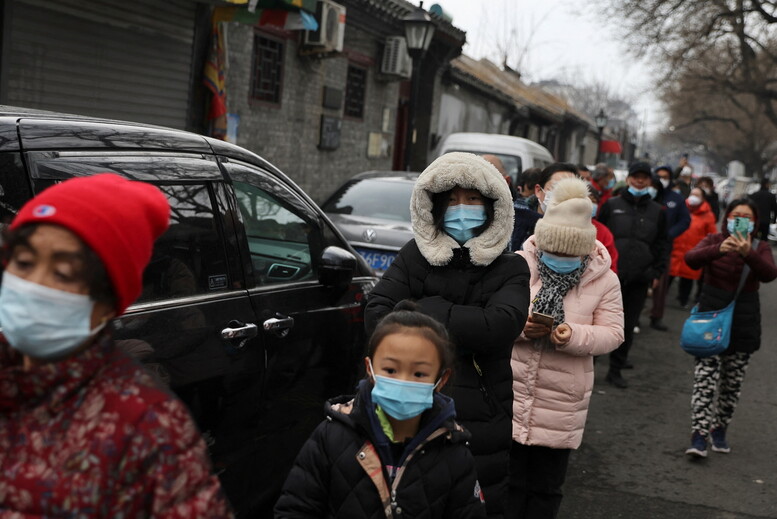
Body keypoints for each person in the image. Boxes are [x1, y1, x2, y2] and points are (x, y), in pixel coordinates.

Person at [0, 174, 233, 517]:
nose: (31, 285)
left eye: (62, 274)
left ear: (106, 306)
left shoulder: (146, 430)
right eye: (24, 262)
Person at [365, 152, 531, 518]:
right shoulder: (414, 256)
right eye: (452, 200)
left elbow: (500, 325)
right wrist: (461, 320)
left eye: (472, 199)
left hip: (482, 413)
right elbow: (377, 314)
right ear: (434, 207)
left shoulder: (510, 267)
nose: (462, 208)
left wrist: (418, 310)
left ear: (493, 207)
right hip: (404, 399)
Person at [275, 301, 487, 518]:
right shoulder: (331, 438)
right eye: (391, 370)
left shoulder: (453, 451)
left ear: (441, 380)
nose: (403, 381)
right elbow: (295, 509)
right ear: (370, 369)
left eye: (419, 374)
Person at [509, 177, 623, 518]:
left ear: (584, 247)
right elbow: (498, 315)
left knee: (546, 487)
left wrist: (571, 335)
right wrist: (522, 328)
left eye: (568, 252)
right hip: (513, 390)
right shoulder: (520, 264)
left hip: (563, 401)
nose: (559, 258)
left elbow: (613, 333)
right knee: (508, 484)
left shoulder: (604, 278)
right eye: (553, 250)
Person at [683, 198, 777, 457]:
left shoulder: (761, 247)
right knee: (705, 381)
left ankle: (719, 428)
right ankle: (699, 434)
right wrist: (719, 250)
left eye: (747, 217)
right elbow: (690, 259)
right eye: (736, 215)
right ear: (727, 218)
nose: (741, 220)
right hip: (709, 323)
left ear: (755, 223)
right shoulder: (714, 240)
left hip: (743, 325)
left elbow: (770, 273)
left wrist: (748, 252)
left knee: (731, 384)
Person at [598, 161, 669, 388]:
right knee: (599, 321)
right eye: (635, 177)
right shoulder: (611, 205)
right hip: (609, 276)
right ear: (628, 179)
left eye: (644, 178)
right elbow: (598, 235)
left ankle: (615, 369)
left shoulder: (658, 211)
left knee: (627, 326)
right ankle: (589, 363)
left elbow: (662, 244)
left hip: (639, 277)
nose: (639, 181)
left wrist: (656, 271)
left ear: (649, 181)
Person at [648, 166, 691, 330]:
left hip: (664, 246)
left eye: (665, 177)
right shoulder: (648, 195)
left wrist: (669, 234)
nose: (662, 179)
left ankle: (656, 316)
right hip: (645, 244)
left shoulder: (676, 199)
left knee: (661, 284)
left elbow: (685, 221)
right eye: (659, 176)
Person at [669, 187, 718, 308]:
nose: (693, 197)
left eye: (697, 195)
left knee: (687, 279)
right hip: (676, 249)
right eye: (692, 194)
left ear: (702, 199)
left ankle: (683, 301)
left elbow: (712, 234)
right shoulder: (681, 208)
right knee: (669, 275)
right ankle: (659, 299)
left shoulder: (708, 215)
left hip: (693, 251)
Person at [511, 163, 578, 251]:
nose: (564, 195)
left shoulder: (579, 229)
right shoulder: (513, 219)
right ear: (538, 190)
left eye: (570, 190)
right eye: (557, 188)